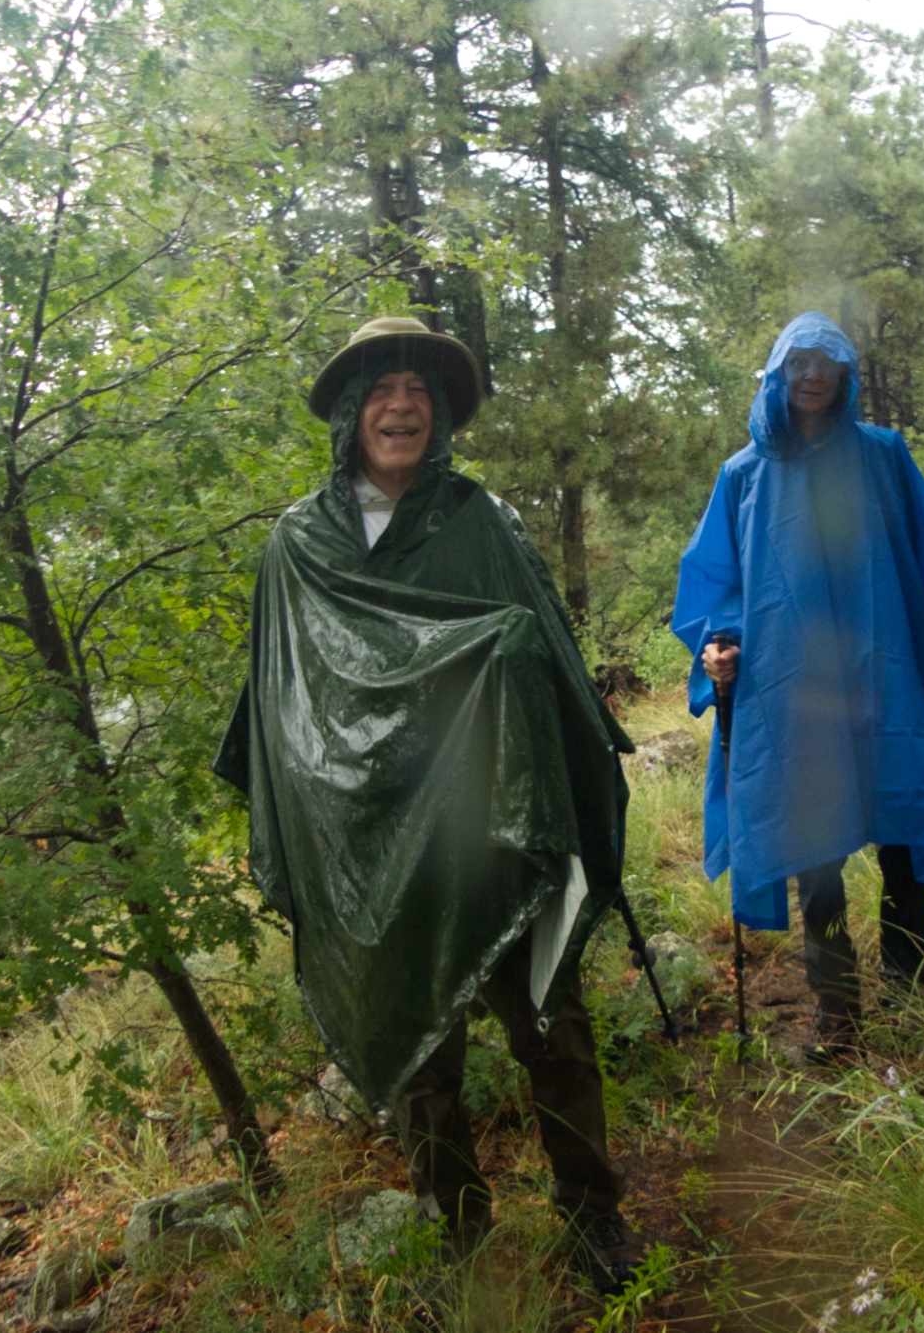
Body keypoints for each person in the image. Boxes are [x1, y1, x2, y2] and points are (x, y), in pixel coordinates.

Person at [213, 316, 640, 1290]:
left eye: (416, 388)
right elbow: (283, 703)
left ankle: (590, 1213)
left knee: (552, 1024)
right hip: (367, 846)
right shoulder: (300, 544)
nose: (399, 405)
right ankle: (458, 1233)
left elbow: (556, 661)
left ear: (439, 411)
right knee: (420, 1052)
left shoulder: (482, 523)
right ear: (351, 415)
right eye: (379, 389)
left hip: (491, 822)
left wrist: (533, 677)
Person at [671, 313, 924, 1058]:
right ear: (778, 374)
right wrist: (721, 647)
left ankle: (909, 997)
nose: (812, 375)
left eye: (826, 362)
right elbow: (718, 584)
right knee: (816, 852)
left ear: (847, 374)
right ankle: (837, 1011)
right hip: (792, 690)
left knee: (904, 833)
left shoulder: (881, 455)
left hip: (886, 676)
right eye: (798, 362)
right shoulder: (743, 474)